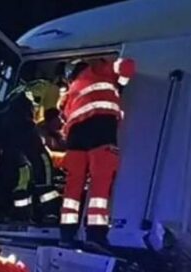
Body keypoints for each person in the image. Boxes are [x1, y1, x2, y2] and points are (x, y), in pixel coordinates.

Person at [58, 57, 136, 245]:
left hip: (75, 137)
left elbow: (63, 117)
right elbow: (127, 65)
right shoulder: (99, 69)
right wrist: (121, 86)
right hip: (100, 129)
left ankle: (67, 234)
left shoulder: (69, 94)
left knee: (73, 187)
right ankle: (95, 234)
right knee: (100, 183)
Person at [0, 92, 61, 225]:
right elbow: (39, 157)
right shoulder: (27, 128)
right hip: (32, 166)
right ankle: (47, 215)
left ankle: (16, 216)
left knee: (21, 192)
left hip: (17, 169)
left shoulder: (3, 125)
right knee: (42, 190)